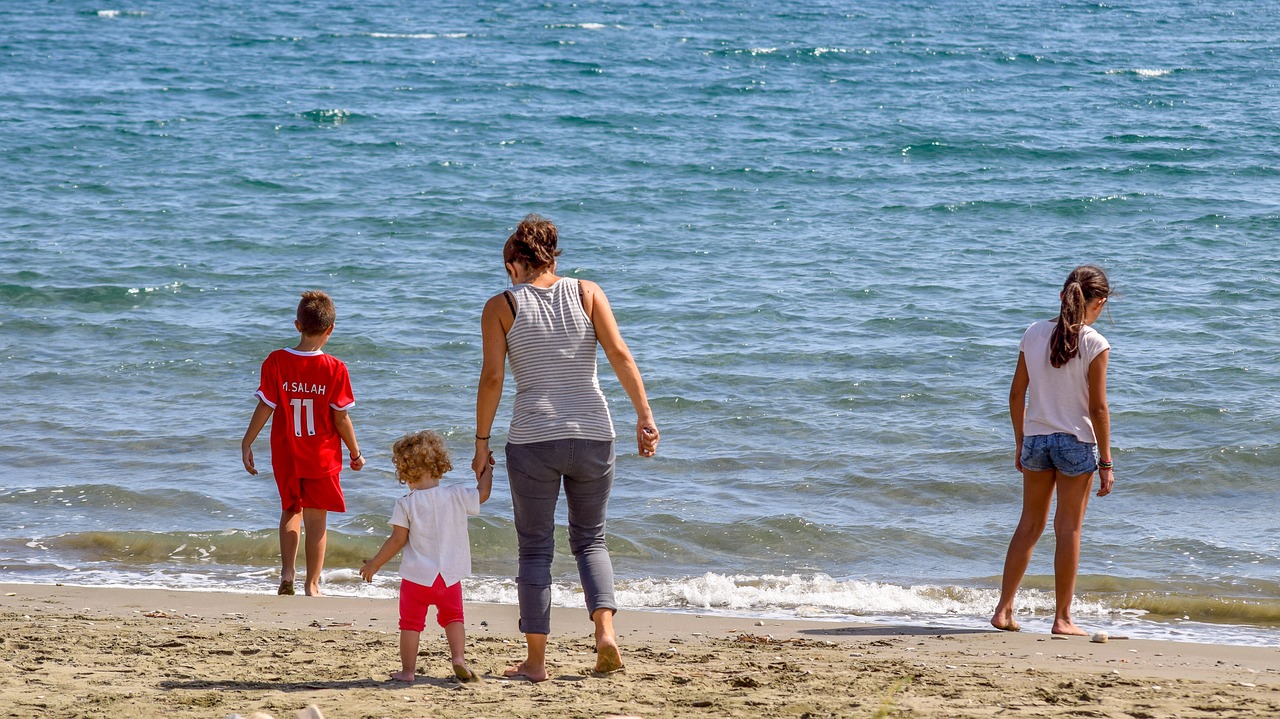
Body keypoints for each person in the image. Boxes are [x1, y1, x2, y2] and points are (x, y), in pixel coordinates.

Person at [473, 214, 659, 682]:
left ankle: (536, 663)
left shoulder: (502, 306)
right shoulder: (587, 292)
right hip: (595, 432)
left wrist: (481, 442)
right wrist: (645, 416)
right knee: (590, 540)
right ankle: (606, 635)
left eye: (507, 266)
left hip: (534, 438)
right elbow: (620, 354)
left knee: (534, 550)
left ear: (516, 260)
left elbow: (493, 378)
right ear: (552, 255)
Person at [992, 265, 1115, 636]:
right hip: (1076, 443)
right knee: (1069, 530)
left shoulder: (1033, 333)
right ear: (1100, 302)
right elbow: (1097, 409)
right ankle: (1062, 619)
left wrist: (1021, 441)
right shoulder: (1095, 343)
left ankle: (1003, 609)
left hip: (1036, 440)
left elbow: (1016, 394)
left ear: (1064, 294)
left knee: (1028, 525)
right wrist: (1106, 461)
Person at [241, 290, 365, 597]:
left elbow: (265, 407)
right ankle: (312, 584)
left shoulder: (276, 361)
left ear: (298, 325)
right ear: (330, 330)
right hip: (321, 457)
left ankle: (287, 572)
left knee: (290, 511)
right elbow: (340, 419)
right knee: (316, 517)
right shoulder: (335, 368)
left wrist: (247, 442)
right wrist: (355, 452)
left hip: (286, 454)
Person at [360, 431, 493, 684]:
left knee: (410, 624)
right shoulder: (455, 494)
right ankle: (458, 659)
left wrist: (374, 564)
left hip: (417, 579)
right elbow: (483, 494)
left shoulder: (406, 503)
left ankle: (408, 672)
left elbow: (397, 540)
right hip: (449, 579)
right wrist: (487, 470)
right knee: (454, 619)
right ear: (440, 466)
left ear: (405, 472)